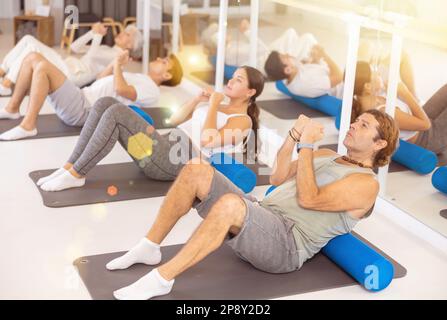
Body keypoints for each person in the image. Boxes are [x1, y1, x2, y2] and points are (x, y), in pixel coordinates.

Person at [103, 109, 399, 300]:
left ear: (379, 144)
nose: (353, 125)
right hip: (263, 214)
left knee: (232, 203)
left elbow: (309, 198)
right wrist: (294, 138)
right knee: (196, 169)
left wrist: (306, 146)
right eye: (356, 120)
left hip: (286, 244)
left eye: (363, 125)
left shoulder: (366, 184)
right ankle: (149, 247)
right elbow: (280, 175)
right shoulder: (325, 156)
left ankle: (162, 279)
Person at [36, 66, 265, 192]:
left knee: (117, 113)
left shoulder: (242, 120)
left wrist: (213, 104)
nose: (231, 81)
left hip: (174, 163)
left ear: (250, 92)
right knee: (104, 103)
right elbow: (174, 119)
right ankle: (69, 167)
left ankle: (77, 174)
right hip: (164, 145)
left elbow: (207, 141)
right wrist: (197, 101)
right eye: (232, 77)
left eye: (238, 80)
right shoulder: (218, 105)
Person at [0, 51, 183, 141]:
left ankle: (28, 125)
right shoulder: (142, 77)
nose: (159, 59)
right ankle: (12, 109)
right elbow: (100, 79)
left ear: (166, 76)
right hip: (82, 96)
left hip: (86, 109)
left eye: (164, 62)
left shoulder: (152, 90)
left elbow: (121, 90)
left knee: (42, 67)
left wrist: (119, 65)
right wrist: (115, 63)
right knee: (33, 56)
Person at [0, 23, 143, 95]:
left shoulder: (117, 56)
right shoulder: (107, 49)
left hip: (74, 75)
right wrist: (92, 33)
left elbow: (92, 56)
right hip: (70, 65)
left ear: (130, 45)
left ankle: (6, 84)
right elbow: (74, 47)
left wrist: (98, 36)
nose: (121, 34)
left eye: (126, 34)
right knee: (28, 40)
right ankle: (3, 75)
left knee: (31, 45)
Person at [352, 61, 446, 155]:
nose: (379, 74)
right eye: (376, 74)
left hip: (421, 123)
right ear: (367, 86)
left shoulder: (371, 98)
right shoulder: (385, 112)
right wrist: (405, 92)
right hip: (428, 140)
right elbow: (426, 125)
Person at [202, 20, 324, 78]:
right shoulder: (232, 52)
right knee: (308, 38)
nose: (227, 31)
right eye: (222, 32)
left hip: (265, 56)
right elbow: (261, 49)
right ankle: (313, 62)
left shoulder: (230, 48)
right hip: (266, 60)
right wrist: (248, 31)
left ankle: (305, 58)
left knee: (291, 33)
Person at [264, 43, 343, 99]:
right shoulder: (305, 82)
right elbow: (340, 77)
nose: (288, 54)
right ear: (287, 70)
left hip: (337, 74)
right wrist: (324, 55)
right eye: (285, 57)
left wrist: (316, 58)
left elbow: (312, 70)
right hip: (345, 86)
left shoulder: (292, 76)